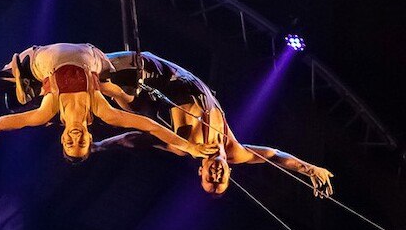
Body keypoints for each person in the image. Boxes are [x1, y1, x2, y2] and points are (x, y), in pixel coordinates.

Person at [93, 51, 334, 197]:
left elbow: (134, 139)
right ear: (230, 173)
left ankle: (91, 75)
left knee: (125, 89)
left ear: (201, 172)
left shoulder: (184, 147)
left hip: (167, 79)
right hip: (187, 80)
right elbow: (275, 156)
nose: (216, 174)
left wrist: (99, 146)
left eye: (211, 179)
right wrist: (311, 169)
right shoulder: (236, 152)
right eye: (221, 179)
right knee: (118, 75)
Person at [0, 43, 218, 162]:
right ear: (89, 137)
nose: (75, 138)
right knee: (15, 94)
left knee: (2, 88)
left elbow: (4, 124)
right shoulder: (101, 110)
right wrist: (188, 146)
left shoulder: (47, 112)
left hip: (42, 58)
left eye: (69, 143)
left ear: (62, 138)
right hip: (89, 55)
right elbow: (148, 125)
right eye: (82, 143)